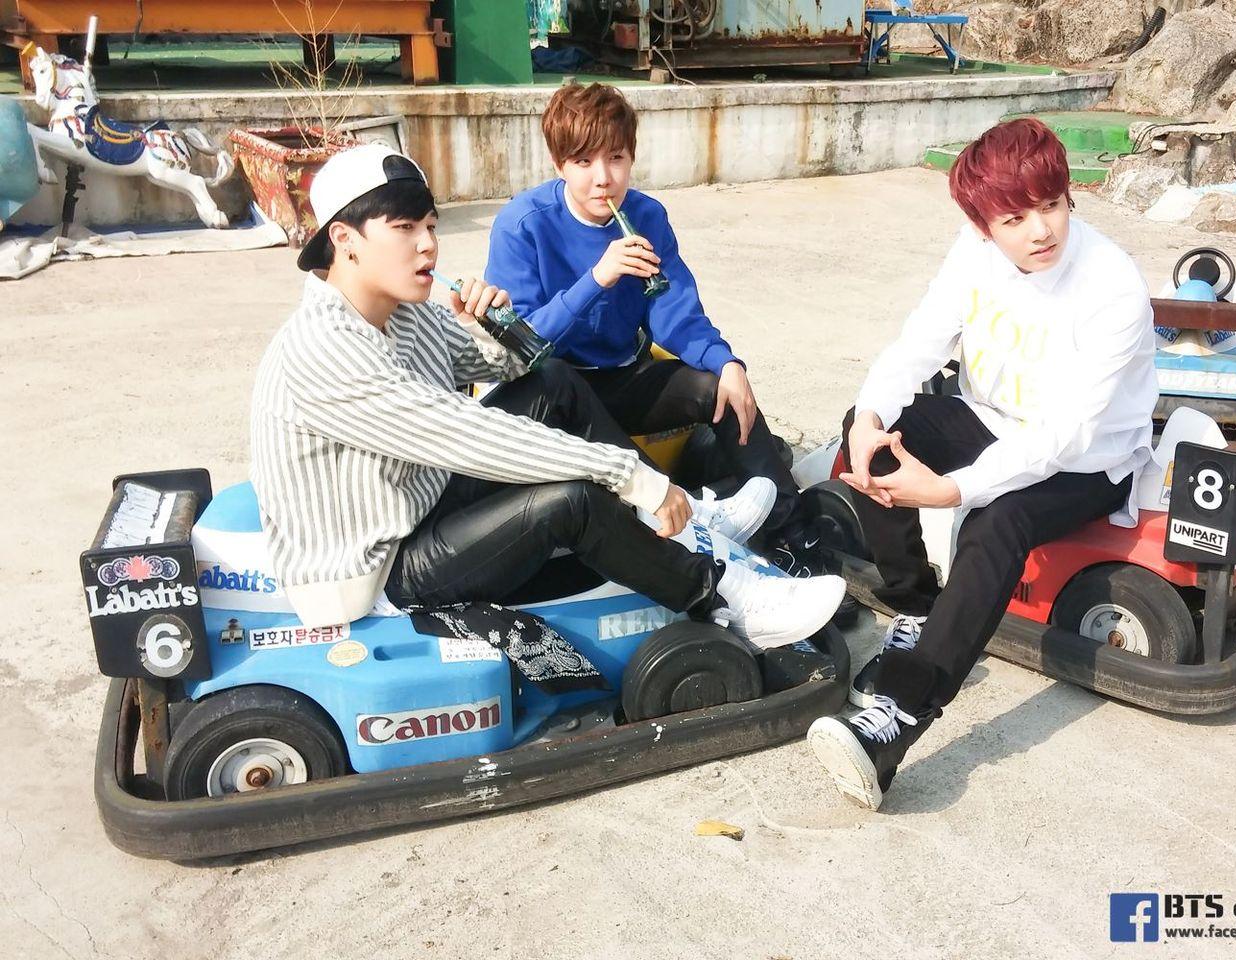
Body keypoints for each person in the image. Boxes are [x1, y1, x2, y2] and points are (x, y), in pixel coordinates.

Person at [250, 144, 845, 649]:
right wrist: (632, 477)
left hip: (421, 500)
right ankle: (723, 597)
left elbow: (518, 367)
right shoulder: (325, 351)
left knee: (555, 382)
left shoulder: (402, 312)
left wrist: (498, 324)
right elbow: (472, 435)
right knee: (572, 501)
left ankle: (691, 520)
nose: (428, 245)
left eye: (430, 226)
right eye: (404, 229)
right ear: (345, 240)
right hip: (379, 569)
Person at [806, 118, 1159, 809]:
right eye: (1014, 218)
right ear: (982, 224)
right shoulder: (973, 253)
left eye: (1051, 204)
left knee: (997, 519)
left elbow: (1065, 433)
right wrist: (871, 415)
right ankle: (918, 609)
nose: (1041, 231)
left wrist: (951, 490)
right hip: (991, 421)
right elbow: (918, 342)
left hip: (1091, 459)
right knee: (868, 432)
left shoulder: (1113, 285)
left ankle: (899, 721)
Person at [484, 82, 827, 576]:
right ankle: (689, 525)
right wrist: (597, 278)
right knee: (558, 380)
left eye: (616, 158)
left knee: (719, 388)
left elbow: (674, 313)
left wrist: (726, 362)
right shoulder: (523, 224)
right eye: (583, 162)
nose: (603, 179)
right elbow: (522, 344)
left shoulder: (645, 216)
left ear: (631, 157)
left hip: (622, 377)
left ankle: (793, 537)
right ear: (559, 165)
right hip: (556, 397)